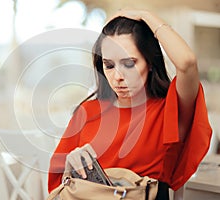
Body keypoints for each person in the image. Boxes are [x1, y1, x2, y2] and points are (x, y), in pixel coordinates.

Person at [48, 9, 212, 199]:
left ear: (150, 62)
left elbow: (187, 62)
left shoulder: (168, 109)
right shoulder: (88, 111)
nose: (118, 77)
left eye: (129, 64)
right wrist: (70, 164)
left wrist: (144, 15)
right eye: (109, 66)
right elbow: (57, 189)